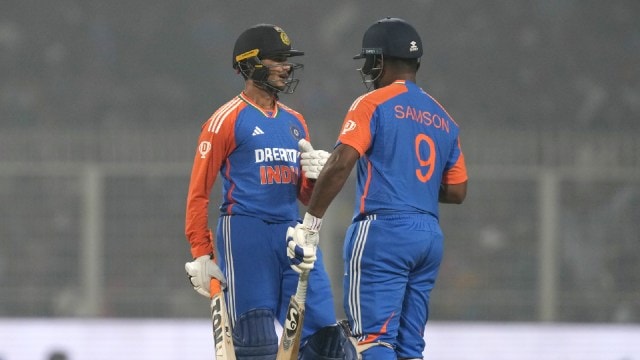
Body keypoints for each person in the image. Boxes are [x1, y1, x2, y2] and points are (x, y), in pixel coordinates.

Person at [286, 17, 468, 359]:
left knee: (373, 340)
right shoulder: (445, 119)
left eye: (369, 60)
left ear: (380, 60)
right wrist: (410, 181)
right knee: (410, 346)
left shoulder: (372, 103)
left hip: (383, 231)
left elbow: (342, 162)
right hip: (429, 237)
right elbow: (458, 190)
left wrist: (310, 224)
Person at [183, 23, 356, 360]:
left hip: (293, 236)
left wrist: (313, 179)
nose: (286, 66)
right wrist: (201, 252)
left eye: (286, 59)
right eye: (276, 59)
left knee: (329, 346)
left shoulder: (296, 121)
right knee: (255, 344)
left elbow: (304, 197)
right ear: (249, 65)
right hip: (246, 234)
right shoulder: (225, 120)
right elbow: (198, 192)